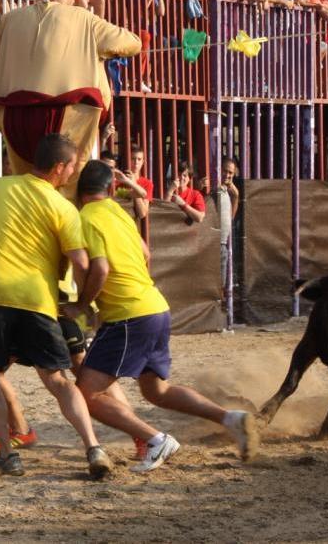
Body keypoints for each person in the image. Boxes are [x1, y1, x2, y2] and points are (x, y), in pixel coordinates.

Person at [72, 160, 259, 472]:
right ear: (109, 189)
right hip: (155, 306)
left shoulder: (85, 218)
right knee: (155, 390)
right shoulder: (117, 212)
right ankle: (230, 418)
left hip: (129, 314)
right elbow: (146, 253)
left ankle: (156, 440)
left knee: (88, 394)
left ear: (79, 191)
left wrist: (82, 305)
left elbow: (101, 269)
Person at [0, 133, 113, 479]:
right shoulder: (63, 208)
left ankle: (8, 454)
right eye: (72, 166)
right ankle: (93, 447)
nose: (74, 172)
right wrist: (82, 303)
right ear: (59, 167)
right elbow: (82, 263)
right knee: (59, 379)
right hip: (37, 300)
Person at [0, 0, 143, 197]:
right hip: (69, 114)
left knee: (27, 186)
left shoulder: (11, 19)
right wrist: (97, 51)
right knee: (66, 188)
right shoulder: (83, 18)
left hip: (15, 116)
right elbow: (132, 42)